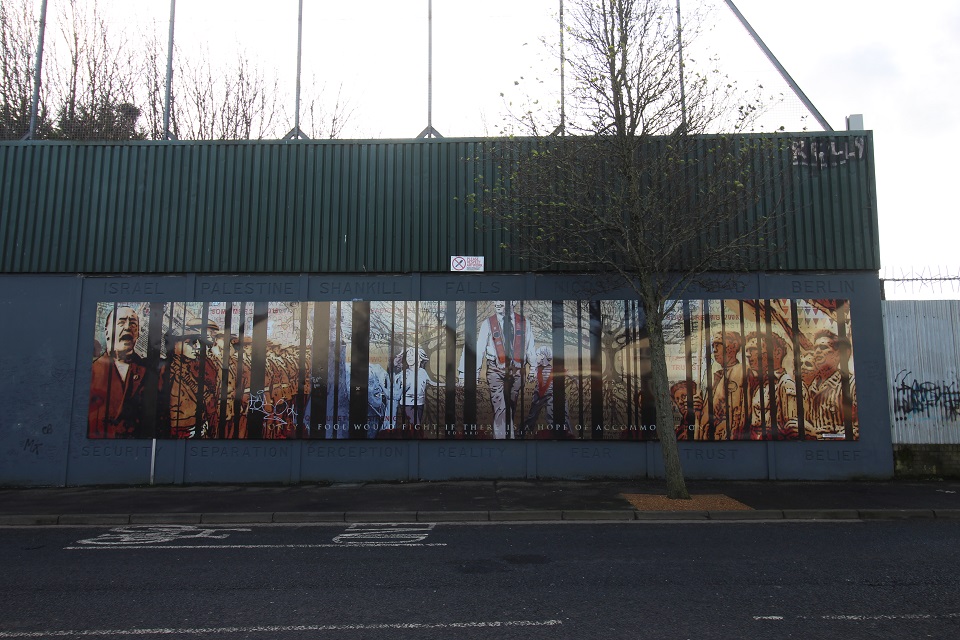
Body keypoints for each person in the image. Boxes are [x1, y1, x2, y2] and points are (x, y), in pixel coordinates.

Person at [459, 300, 537, 439]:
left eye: (501, 300)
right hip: (495, 370)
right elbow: (480, 349)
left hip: (518, 371)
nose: (497, 303)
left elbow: (530, 347)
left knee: (510, 406)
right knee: (500, 407)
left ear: (513, 302)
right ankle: (504, 440)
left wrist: (534, 368)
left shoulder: (525, 323)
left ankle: (503, 435)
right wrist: (475, 373)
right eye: (496, 301)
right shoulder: (488, 323)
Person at [88, 305, 150, 438]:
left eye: (133, 324)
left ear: (138, 333)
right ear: (107, 332)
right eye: (121, 322)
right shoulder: (92, 373)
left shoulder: (150, 373)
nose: (127, 327)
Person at [158, 326, 217, 439]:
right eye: (190, 343)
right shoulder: (164, 371)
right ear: (174, 345)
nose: (196, 347)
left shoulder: (196, 368)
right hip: (179, 433)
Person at [743, 331, 801, 440]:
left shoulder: (785, 384)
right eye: (747, 350)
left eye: (754, 349)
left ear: (777, 353)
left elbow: (792, 429)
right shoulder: (760, 384)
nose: (748, 355)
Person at [696, 330, 748, 441]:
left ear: (734, 346)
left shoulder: (739, 372)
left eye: (718, 345)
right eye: (713, 346)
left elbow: (736, 412)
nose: (714, 350)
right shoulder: (719, 376)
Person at [807, 329, 858, 439]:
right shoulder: (811, 389)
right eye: (815, 348)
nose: (817, 351)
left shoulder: (852, 385)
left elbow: (857, 430)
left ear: (838, 355)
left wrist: (821, 436)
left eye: (823, 347)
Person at [523, 345, 572, 438]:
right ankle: (524, 431)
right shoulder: (536, 368)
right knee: (532, 415)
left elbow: (567, 373)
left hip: (550, 394)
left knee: (550, 413)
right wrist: (531, 377)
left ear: (543, 356)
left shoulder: (553, 369)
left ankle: (562, 433)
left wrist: (575, 378)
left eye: (537, 355)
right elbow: (532, 375)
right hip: (538, 395)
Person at [393, 347, 440, 438]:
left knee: (414, 426)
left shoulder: (423, 372)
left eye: (412, 355)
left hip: (420, 403)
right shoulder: (403, 373)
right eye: (408, 356)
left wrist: (450, 384)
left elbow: (432, 383)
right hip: (407, 403)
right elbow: (395, 384)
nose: (409, 358)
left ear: (420, 358)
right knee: (416, 425)